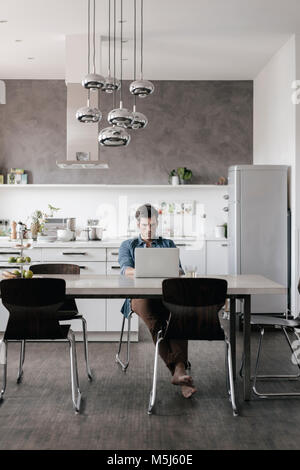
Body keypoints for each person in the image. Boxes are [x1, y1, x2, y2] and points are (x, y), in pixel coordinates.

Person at [118, 203, 197, 398]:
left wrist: (170, 270)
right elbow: (125, 270)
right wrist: (145, 272)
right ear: (138, 224)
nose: (149, 229)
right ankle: (178, 371)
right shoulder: (128, 245)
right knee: (156, 319)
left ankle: (179, 371)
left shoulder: (168, 244)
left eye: (152, 225)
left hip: (167, 296)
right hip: (139, 296)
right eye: (145, 225)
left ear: (158, 223)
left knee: (179, 315)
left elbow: (179, 271)